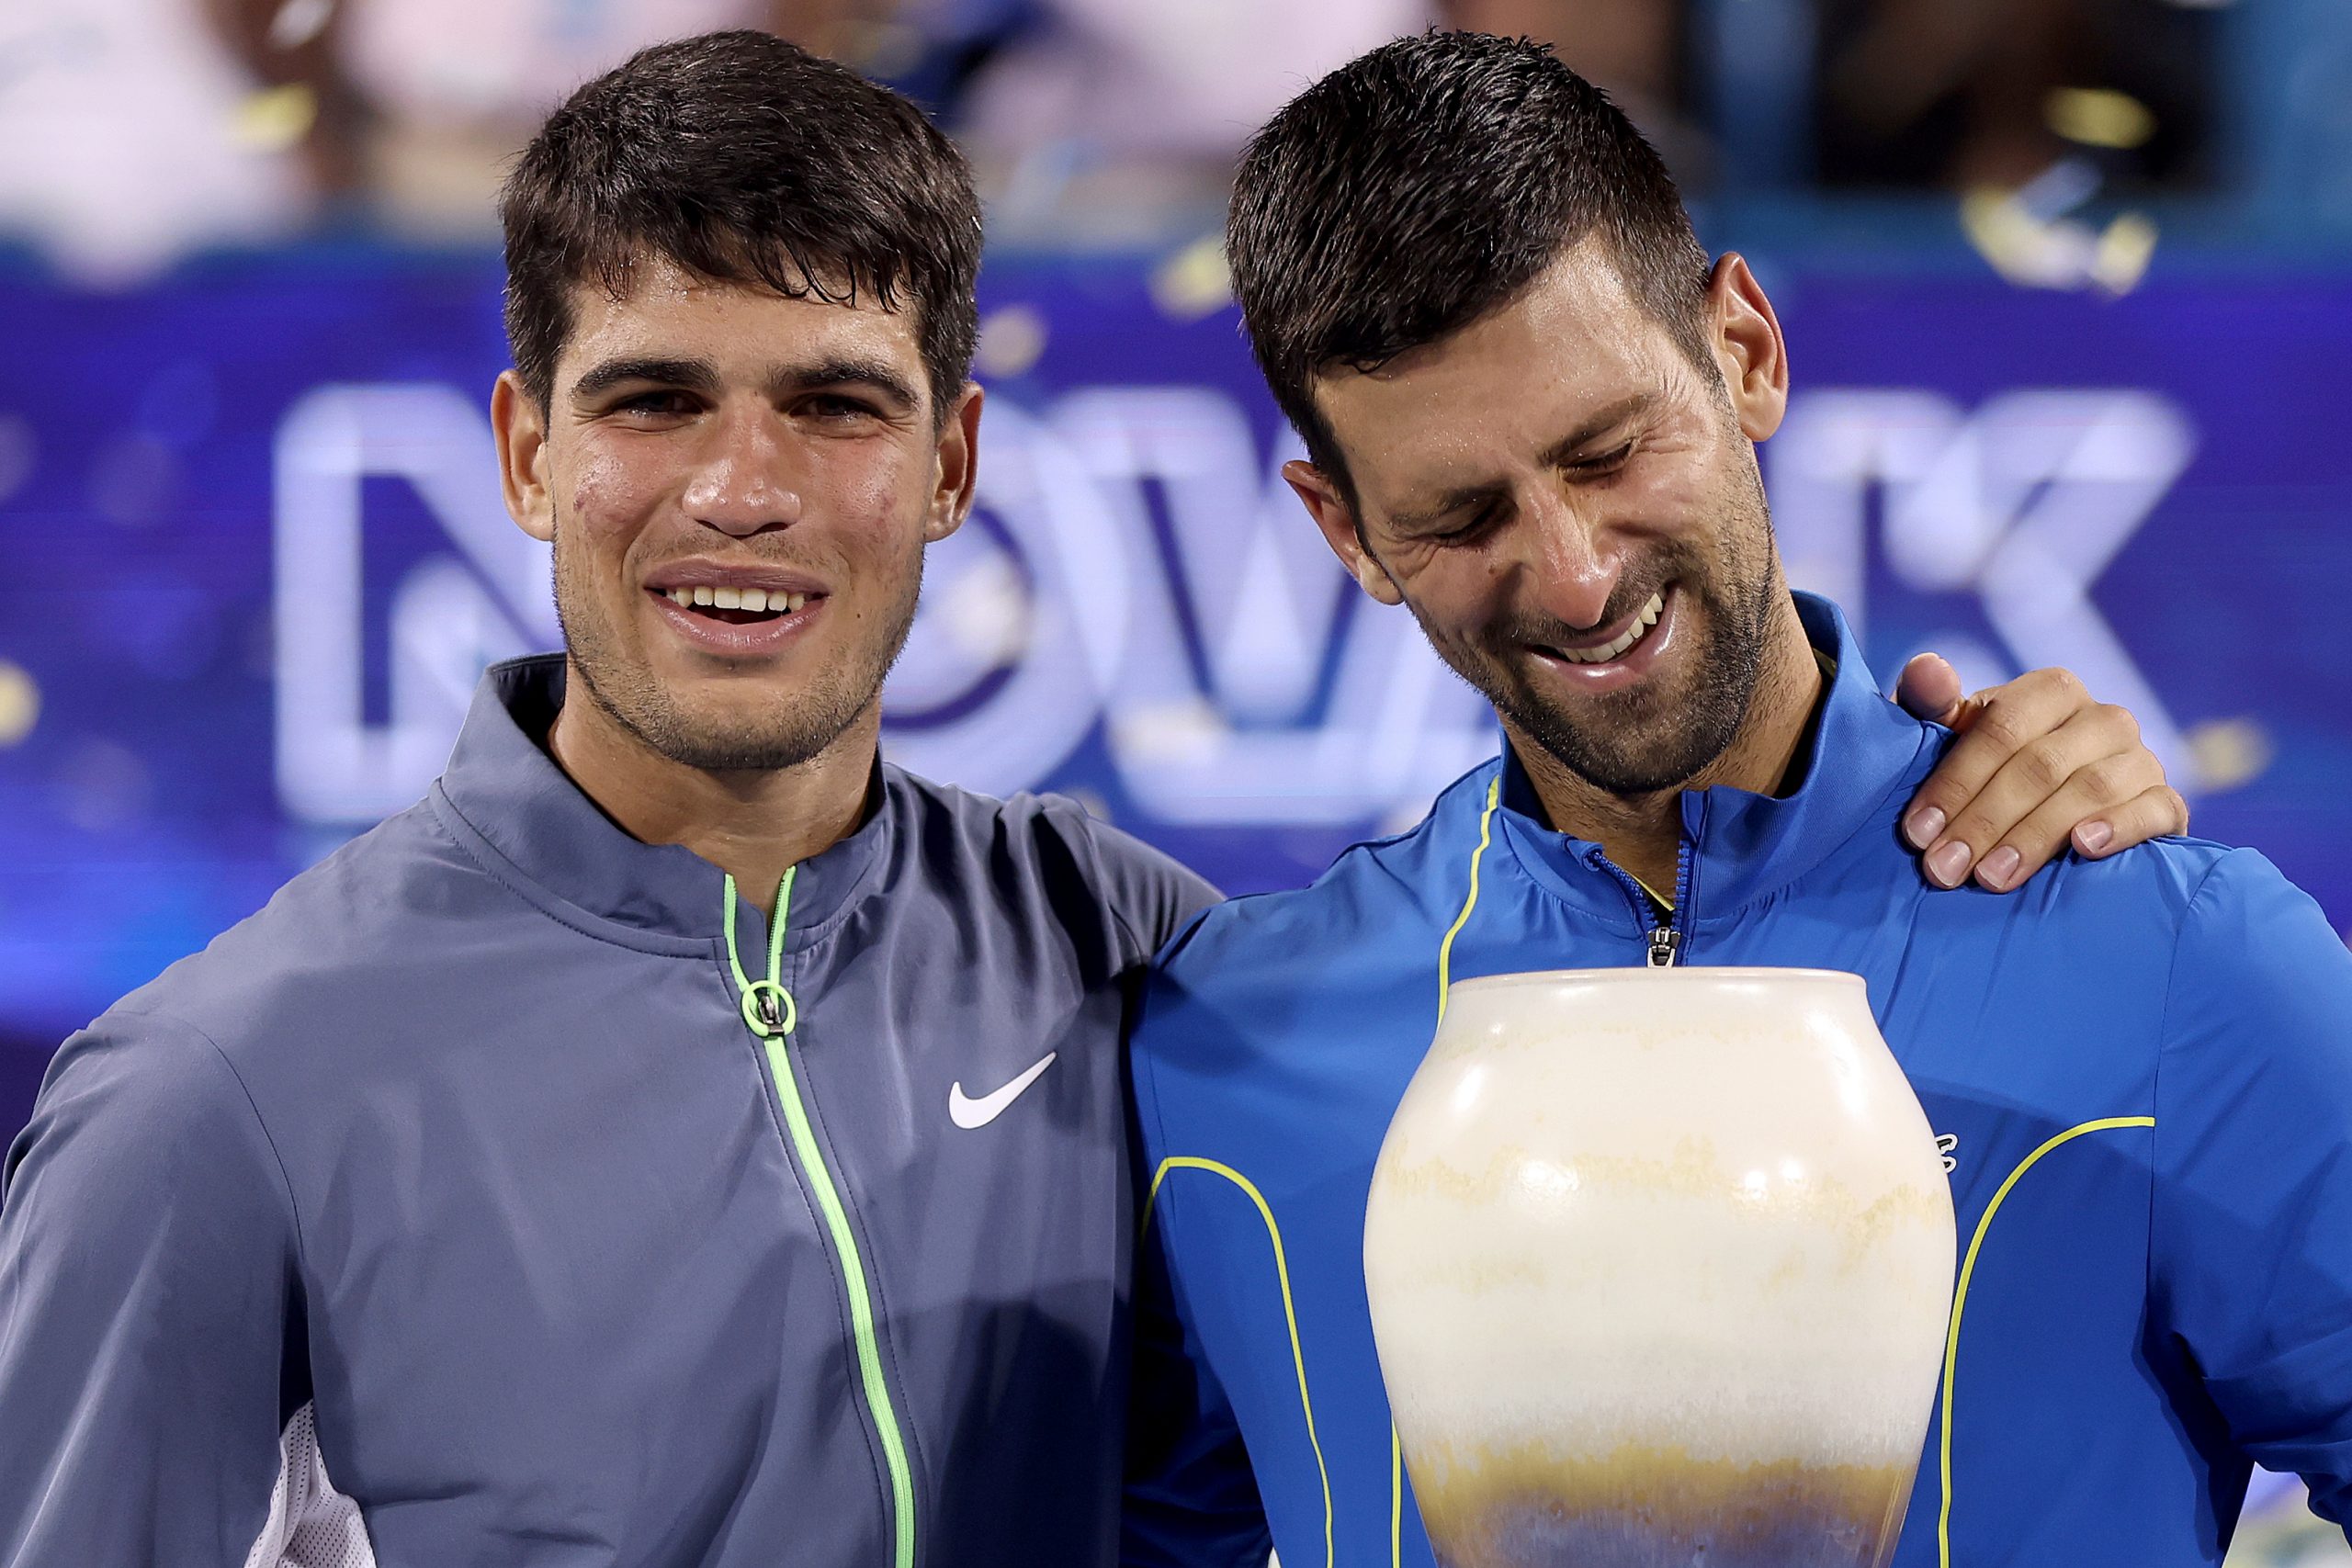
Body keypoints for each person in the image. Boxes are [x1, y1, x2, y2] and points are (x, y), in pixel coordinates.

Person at [0, 28, 2177, 1568]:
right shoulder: (218, 1092)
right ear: (521, 452)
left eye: (835, 404)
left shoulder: (1130, 954)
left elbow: (1608, 968)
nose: (740, 490)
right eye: (651, 398)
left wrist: (1965, 800)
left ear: (949, 465)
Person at [1122, 31, 2352, 1568]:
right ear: (1345, 530)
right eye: (1461, 513)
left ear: (1748, 350)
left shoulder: (2181, 963)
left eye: (1611, 448)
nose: (1573, 573)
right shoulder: (1215, 1049)